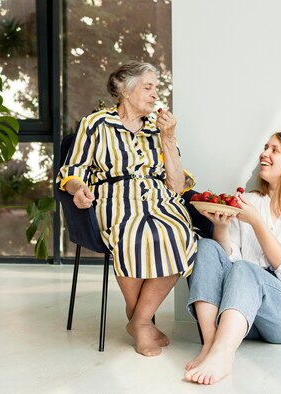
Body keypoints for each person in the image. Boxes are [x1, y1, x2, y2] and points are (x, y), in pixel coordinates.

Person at [57, 61, 199, 357]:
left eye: (155, 88)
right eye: (148, 87)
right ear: (124, 89)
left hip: (159, 197)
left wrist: (169, 139)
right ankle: (143, 325)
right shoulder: (95, 124)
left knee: (180, 234)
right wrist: (77, 189)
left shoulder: (157, 130)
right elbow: (70, 171)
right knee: (132, 234)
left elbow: (175, 185)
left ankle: (139, 322)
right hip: (114, 196)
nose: (154, 94)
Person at [184, 131, 281, 384]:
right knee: (207, 246)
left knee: (247, 269)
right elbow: (231, 262)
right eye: (266, 147)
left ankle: (223, 356)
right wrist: (221, 227)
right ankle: (211, 345)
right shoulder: (250, 201)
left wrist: (257, 223)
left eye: (275, 150)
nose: (265, 153)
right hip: (243, 320)